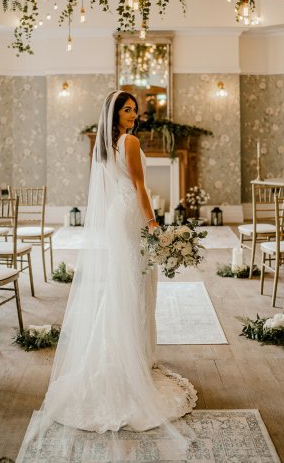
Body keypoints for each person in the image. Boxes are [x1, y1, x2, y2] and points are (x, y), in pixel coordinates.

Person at [39, 90, 197, 433]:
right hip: (130, 216)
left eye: (135, 110)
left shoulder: (103, 145)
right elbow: (140, 187)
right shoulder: (128, 142)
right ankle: (130, 361)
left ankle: (128, 354)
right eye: (127, 110)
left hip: (116, 216)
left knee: (123, 283)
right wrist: (155, 226)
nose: (134, 115)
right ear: (114, 114)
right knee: (136, 283)